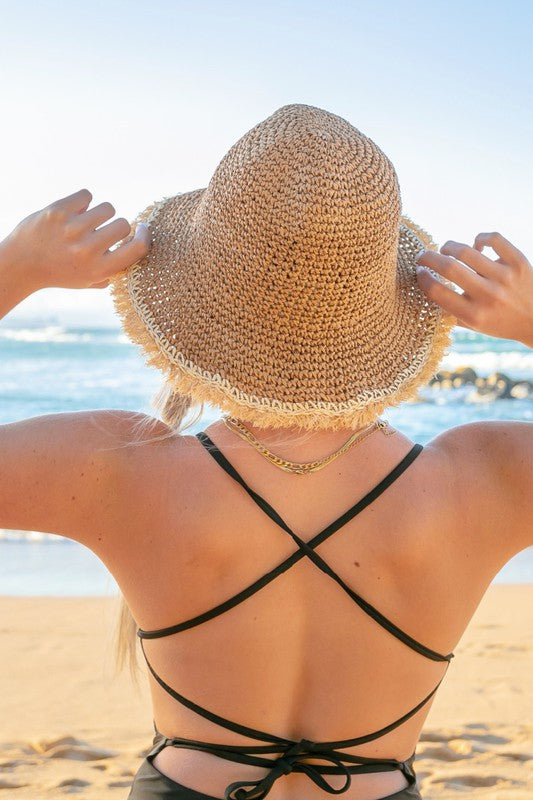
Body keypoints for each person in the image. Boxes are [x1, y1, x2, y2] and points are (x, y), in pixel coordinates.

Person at [0, 103, 531, 800]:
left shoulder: (116, 469)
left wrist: (14, 268)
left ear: (196, 293)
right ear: (389, 297)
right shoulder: (482, 482)